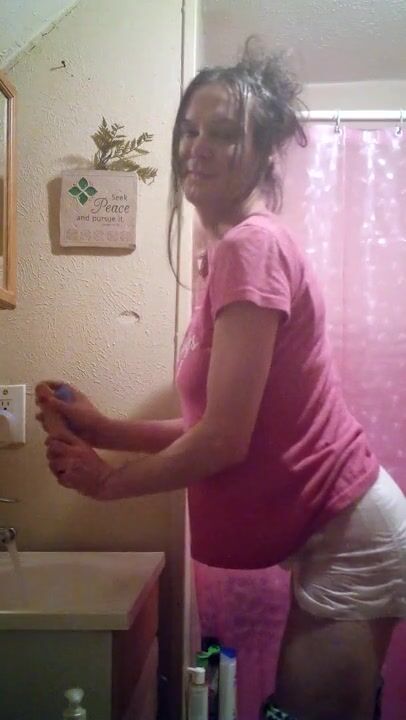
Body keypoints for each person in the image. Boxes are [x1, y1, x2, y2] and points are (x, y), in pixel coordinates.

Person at [36, 40, 406, 720]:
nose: (196, 147)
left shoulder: (249, 247)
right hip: (334, 529)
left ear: (263, 152)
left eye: (224, 132)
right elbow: (215, 426)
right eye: (189, 129)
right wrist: (104, 428)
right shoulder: (227, 253)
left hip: (351, 535)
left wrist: (107, 483)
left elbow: (223, 442)